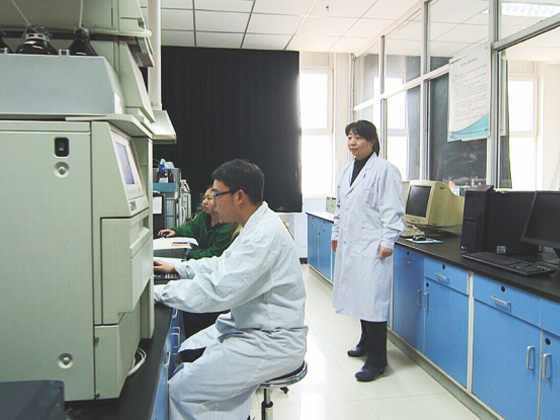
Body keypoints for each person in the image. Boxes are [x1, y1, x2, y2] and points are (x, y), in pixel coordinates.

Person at [153, 159, 307, 420]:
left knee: (181, 390)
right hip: (253, 328)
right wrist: (179, 268)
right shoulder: (255, 226)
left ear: (239, 196)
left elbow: (219, 289)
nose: (212, 202)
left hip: (271, 342)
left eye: (216, 194)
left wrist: (158, 294)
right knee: (186, 354)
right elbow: (222, 264)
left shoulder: (262, 236)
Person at [331, 120, 405, 382]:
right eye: (349, 137)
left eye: (358, 138)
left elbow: (393, 210)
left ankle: (377, 360)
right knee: (360, 297)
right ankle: (364, 342)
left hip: (373, 247)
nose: (352, 142)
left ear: (372, 141)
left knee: (373, 303)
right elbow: (341, 207)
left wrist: (388, 241)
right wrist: (336, 233)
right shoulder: (346, 171)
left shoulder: (385, 170)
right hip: (352, 245)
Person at [159, 186, 235, 338]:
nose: (204, 202)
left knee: (190, 311)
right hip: (200, 267)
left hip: (213, 279)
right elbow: (192, 227)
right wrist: (176, 231)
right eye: (204, 198)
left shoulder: (225, 227)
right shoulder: (204, 217)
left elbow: (213, 254)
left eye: (209, 198)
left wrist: (189, 255)